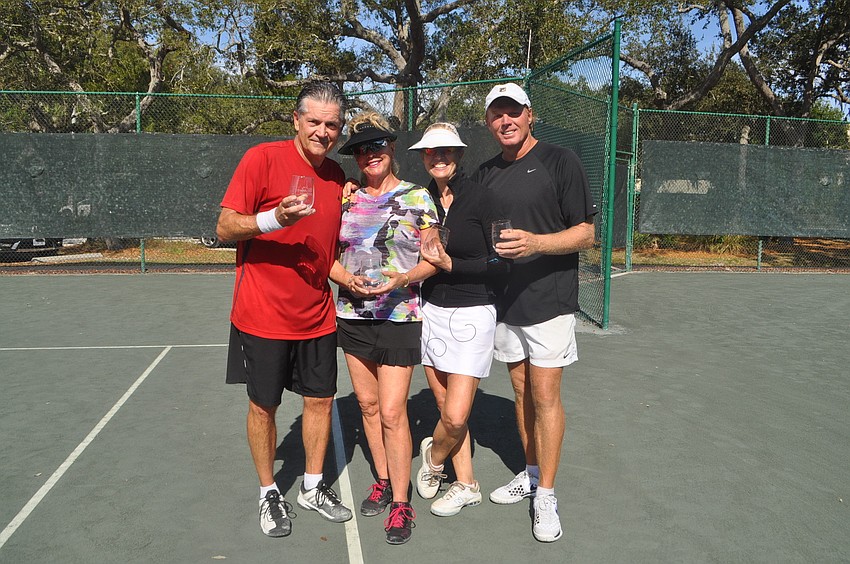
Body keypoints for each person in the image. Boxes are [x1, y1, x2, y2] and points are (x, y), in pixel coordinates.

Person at [216, 81, 353, 538]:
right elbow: (224, 227)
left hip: (317, 315)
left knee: (320, 401)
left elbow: (325, 249)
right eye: (313, 121)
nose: (322, 132)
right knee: (264, 407)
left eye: (331, 124)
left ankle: (312, 486)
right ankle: (268, 492)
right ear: (296, 120)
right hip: (262, 316)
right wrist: (274, 218)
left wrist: (349, 278)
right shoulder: (261, 159)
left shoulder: (337, 177)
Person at [475, 83, 597, 542]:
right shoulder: (486, 172)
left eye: (513, 112)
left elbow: (586, 233)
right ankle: (529, 473)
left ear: (530, 115)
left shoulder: (561, 161)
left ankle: (546, 494)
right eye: (497, 114)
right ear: (489, 123)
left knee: (545, 396)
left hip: (550, 301)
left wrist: (536, 244)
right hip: (505, 303)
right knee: (521, 391)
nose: (505, 121)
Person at [328, 111, 439, 545]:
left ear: (391, 147)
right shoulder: (345, 199)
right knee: (368, 406)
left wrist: (402, 279)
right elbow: (326, 255)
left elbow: (434, 260)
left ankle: (401, 502)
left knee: (393, 412)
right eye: (360, 150)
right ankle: (383, 479)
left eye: (376, 146)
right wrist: (345, 278)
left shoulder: (418, 198)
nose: (369, 155)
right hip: (353, 316)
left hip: (399, 317)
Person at [407, 123, 508, 517]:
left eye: (447, 150)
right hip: (431, 311)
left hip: (475, 311)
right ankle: (466, 484)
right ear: (423, 157)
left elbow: (503, 264)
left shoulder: (485, 198)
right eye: (431, 151)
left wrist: (454, 265)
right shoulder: (420, 199)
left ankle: (433, 459)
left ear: (460, 154)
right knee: (443, 404)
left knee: (454, 415)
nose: (439, 157)